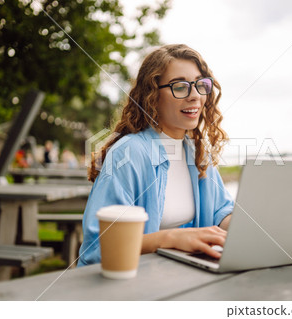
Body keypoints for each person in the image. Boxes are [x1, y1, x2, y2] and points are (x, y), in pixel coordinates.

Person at [78, 44, 234, 266]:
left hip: (177, 279)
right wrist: (169, 239)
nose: (195, 96)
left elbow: (222, 212)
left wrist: (256, 225)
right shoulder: (129, 153)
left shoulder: (196, 152)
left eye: (201, 85)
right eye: (180, 87)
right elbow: (99, 246)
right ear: (152, 95)